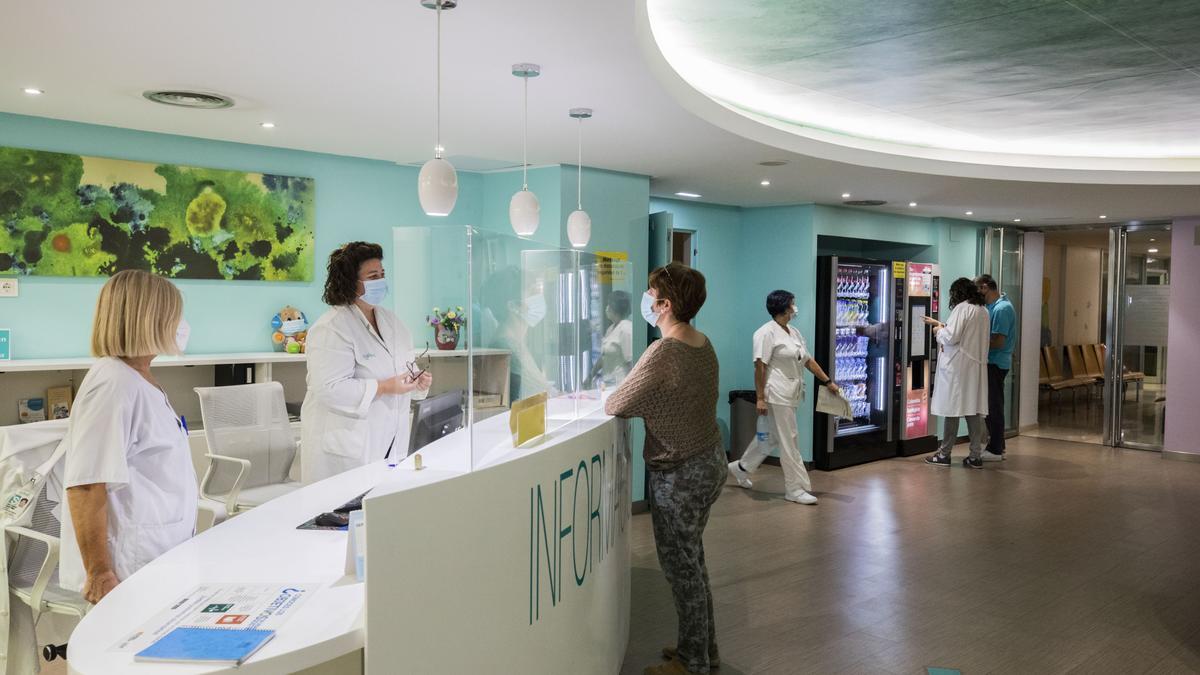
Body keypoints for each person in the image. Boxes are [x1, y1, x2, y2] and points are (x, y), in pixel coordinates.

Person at [605, 263, 725, 675]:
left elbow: (617, 404)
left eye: (650, 293)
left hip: (680, 474)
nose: (646, 299)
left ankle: (693, 664)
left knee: (681, 569)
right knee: (694, 562)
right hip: (709, 462)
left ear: (665, 304)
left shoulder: (664, 350)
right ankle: (704, 649)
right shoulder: (702, 343)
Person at [61, 270, 198, 604]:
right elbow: (86, 485)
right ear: (150, 319)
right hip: (129, 563)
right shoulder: (113, 384)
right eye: (174, 315)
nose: (181, 324)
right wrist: (98, 572)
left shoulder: (139, 378)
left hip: (158, 549)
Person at [301, 242, 432, 484]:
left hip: (390, 442)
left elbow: (403, 370)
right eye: (373, 276)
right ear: (351, 281)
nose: (380, 281)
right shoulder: (331, 328)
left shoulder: (392, 322)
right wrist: (383, 387)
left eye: (382, 275)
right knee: (344, 515)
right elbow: (329, 389)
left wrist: (417, 382)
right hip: (346, 452)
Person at [728, 290, 838, 505]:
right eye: (792, 303)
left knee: (770, 438)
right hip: (776, 394)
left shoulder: (793, 332)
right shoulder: (765, 333)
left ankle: (741, 467)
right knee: (790, 441)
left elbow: (807, 360)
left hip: (791, 393)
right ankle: (795, 489)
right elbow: (759, 367)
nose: (795, 307)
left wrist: (827, 381)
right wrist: (760, 398)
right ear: (784, 307)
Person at [922, 278, 991, 468]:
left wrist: (938, 330)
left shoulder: (962, 308)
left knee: (951, 409)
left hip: (957, 368)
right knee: (973, 410)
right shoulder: (982, 310)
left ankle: (944, 454)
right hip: (975, 368)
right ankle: (975, 455)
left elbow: (952, 337)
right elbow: (966, 333)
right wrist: (943, 324)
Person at [481, 266, 552, 400]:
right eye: (532, 293)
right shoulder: (505, 346)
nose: (539, 298)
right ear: (513, 306)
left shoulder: (518, 342)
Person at [977, 273, 1016, 461]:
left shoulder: (1002, 309)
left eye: (977, 290)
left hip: (996, 363)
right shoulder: (991, 307)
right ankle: (998, 444)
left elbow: (999, 341)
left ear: (985, 287)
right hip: (990, 362)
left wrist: (974, 343)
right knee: (990, 404)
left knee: (993, 405)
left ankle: (995, 448)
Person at [598, 290, 633, 385]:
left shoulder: (626, 328)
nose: (606, 308)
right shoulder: (611, 328)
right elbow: (604, 356)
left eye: (608, 305)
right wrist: (591, 374)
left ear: (614, 308)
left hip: (621, 384)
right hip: (609, 383)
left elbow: (631, 363)